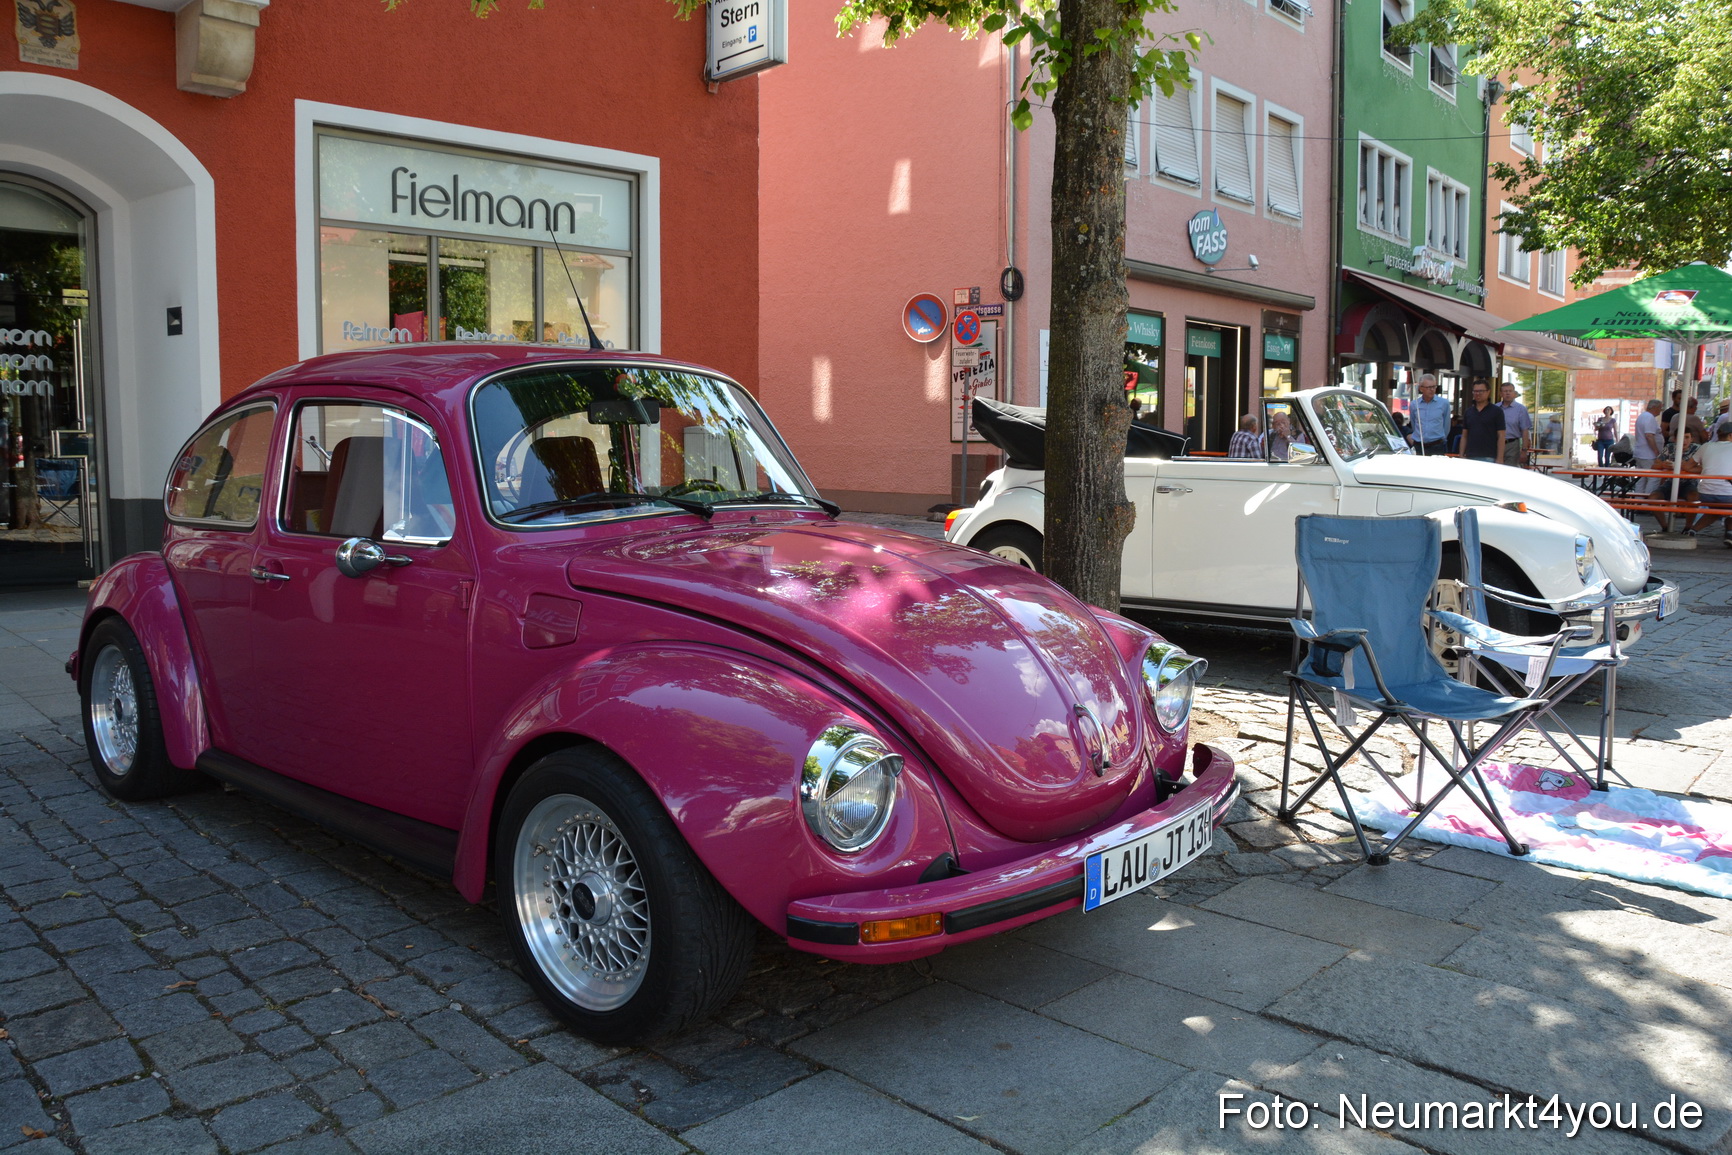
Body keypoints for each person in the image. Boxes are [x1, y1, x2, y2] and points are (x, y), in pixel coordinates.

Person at [1685, 423, 1732, 541]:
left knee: (1719, 509)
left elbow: (1688, 467)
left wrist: (1707, 468)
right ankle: (1730, 533)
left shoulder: (1706, 446)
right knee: (1726, 505)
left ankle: (1692, 531)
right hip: (1727, 494)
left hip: (1705, 493)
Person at [1458, 380, 1505, 461]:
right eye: (1475, 391)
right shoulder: (1468, 412)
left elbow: (1501, 436)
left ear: (1488, 392)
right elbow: (1464, 435)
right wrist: (1461, 454)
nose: (1477, 394)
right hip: (1470, 456)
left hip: (1489, 456)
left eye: (1481, 391)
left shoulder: (1497, 411)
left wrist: (1500, 458)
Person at [1408, 374, 1452, 456]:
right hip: (1419, 446)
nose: (1432, 390)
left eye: (1434, 387)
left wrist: (1442, 439)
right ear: (1421, 388)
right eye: (1428, 387)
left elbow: (1446, 425)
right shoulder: (1414, 404)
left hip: (1437, 445)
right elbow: (1414, 424)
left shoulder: (1444, 403)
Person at [1634, 398, 1665, 495]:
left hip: (1641, 453)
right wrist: (1656, 451)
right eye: (1660, 408)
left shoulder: (1642, 416)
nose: (1660, 410)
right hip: (1648, 454)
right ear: (1654, 407)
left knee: (1642, 478)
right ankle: (1648, 501)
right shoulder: (1649, 417)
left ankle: (1639, 500)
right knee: (1654, 478)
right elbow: (1649, 436)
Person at [1497, 382, 1532, 467]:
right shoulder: (1495, 408)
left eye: (1510, 391)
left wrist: (1524, 450)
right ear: (1501, 394)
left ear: (1514, 393)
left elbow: (1525, 430)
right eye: (1505, 391)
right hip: (1496, 443)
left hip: (1512, 444)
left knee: (1509, 470)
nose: (1508, 393)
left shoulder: (1521, 409)